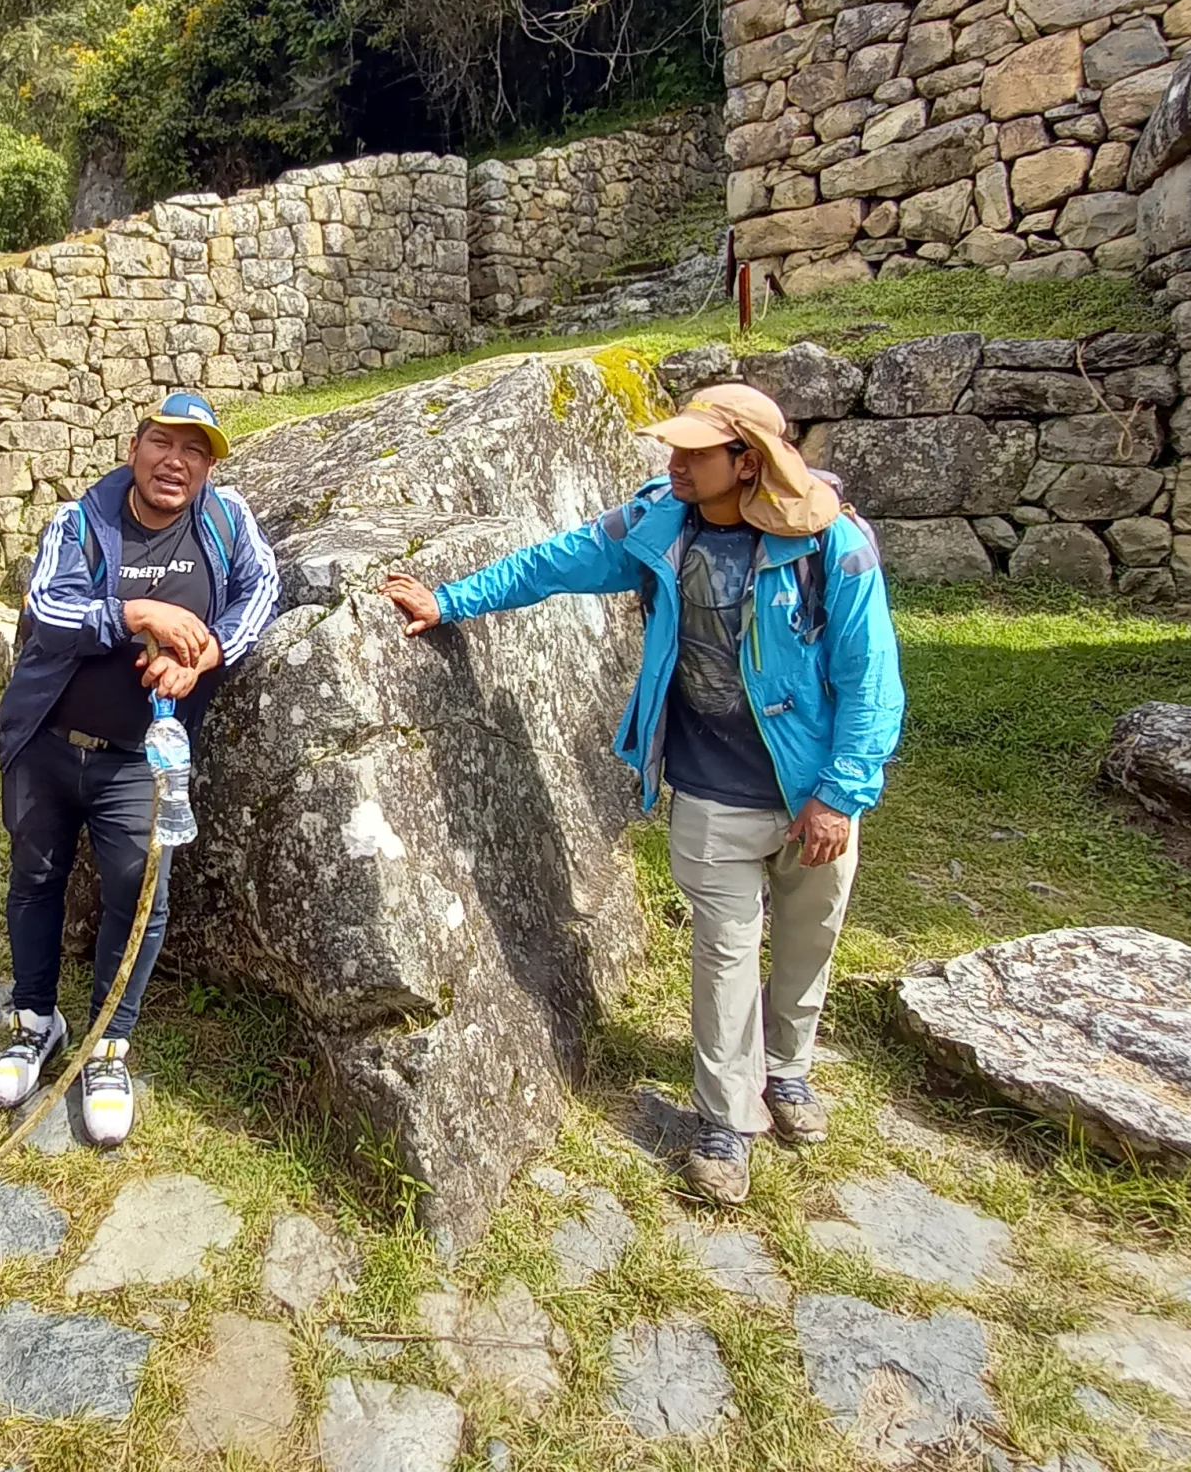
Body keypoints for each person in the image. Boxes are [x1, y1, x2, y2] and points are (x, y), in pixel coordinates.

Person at [379, 381, 903, 1205]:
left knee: (810, 940)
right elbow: (555, 563)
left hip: (813, 794)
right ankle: (725, 1121)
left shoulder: (831, 544)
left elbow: (870, 678)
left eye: (695, 451)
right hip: (711, 788)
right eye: (675, 448)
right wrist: (449, 600)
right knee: (724, 955)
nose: (675, 461)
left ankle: (787, 1069)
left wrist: (840, 794)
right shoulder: (660, 521)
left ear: (747, 461)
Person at [0, 392, 281, 1144]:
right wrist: (137, 614)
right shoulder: (81, 522)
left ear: (209, 466)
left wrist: (207, 654)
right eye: (162, 443)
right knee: (35, 880)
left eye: (195, 450)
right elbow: (48, 609)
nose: (175, 462)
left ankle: (107, 1048)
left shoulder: (226, 521)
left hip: (138, 760)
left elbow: (262, 592)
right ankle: (34, 1022)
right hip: (50, 742)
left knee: (138, 897)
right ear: (134, 447)